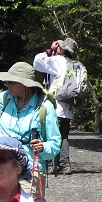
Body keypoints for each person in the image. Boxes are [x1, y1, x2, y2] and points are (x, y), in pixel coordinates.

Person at [0, 62, 61, 179]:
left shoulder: (45, 107)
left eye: (11, 82)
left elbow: (55, 144)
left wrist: (42, 147)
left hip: (29, 171)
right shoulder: (6, 97)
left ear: (25, 84)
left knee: (25, 198)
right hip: (0, 167)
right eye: (6, 82)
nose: (7, 85)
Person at [34, 38, 79, 175]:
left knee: (49, 133)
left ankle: (49, 165)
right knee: (63, 135)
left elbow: (37, 62)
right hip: (69, 106)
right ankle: (64, 165)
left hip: (56, 104)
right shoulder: (75, 65)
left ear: (62, 49)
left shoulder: (58, 61)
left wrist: (49, 50)